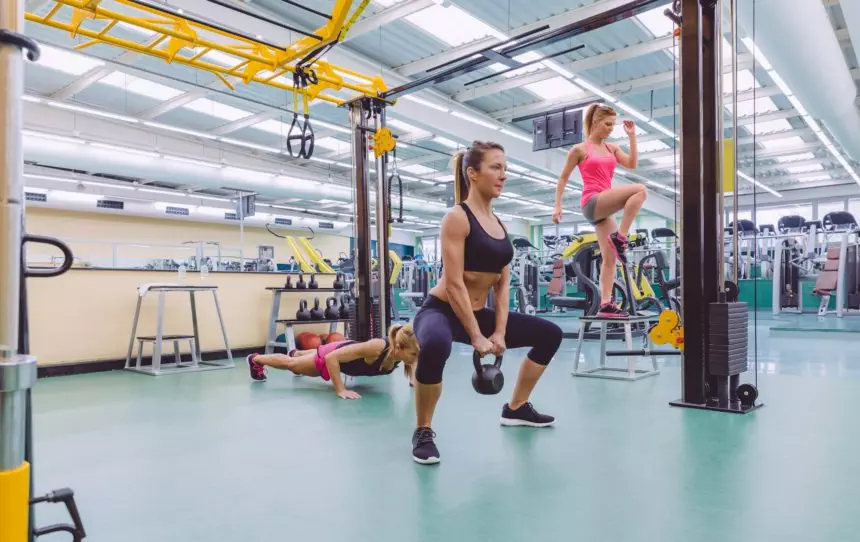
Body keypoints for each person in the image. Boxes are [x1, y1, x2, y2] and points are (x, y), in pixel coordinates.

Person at [410, 141, 564, 465]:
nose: (503, 175)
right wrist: (477, 337)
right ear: (472, 173)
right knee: (437, 345)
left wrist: (500, 333)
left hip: (478, 313)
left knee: (550, 334)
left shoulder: (501, 225)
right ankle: (423, 430)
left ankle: (516, 407)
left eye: (505, 168)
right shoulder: (457, 217)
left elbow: (503, 284)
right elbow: (453, 285)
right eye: (496, 167)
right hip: (440, 310)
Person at [552, 103, 643, 318]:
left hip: (604, 207)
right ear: (595, 122)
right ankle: (621, 237)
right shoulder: (580, 149)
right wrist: (557, 205)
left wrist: (632, 137)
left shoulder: (612, 148)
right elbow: (563, 177)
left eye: (613, 125)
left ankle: (606, 304)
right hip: (592, 201)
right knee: (640, 190)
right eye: (608, 124)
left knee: (610, 257)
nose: (611, 128)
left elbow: (632, 164)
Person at [246, 323, 419, 399]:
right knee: (293, 367)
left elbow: (410, 362)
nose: (416, 358)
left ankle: (298, 353)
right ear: (398, 348)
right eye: (414, 354)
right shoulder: (377, 348)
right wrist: (341, 390)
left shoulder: (401, 353)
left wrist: (414, 381)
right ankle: (256, 359)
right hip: (332, 354)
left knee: (301, 359)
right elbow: (331, 358)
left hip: (343, 348)